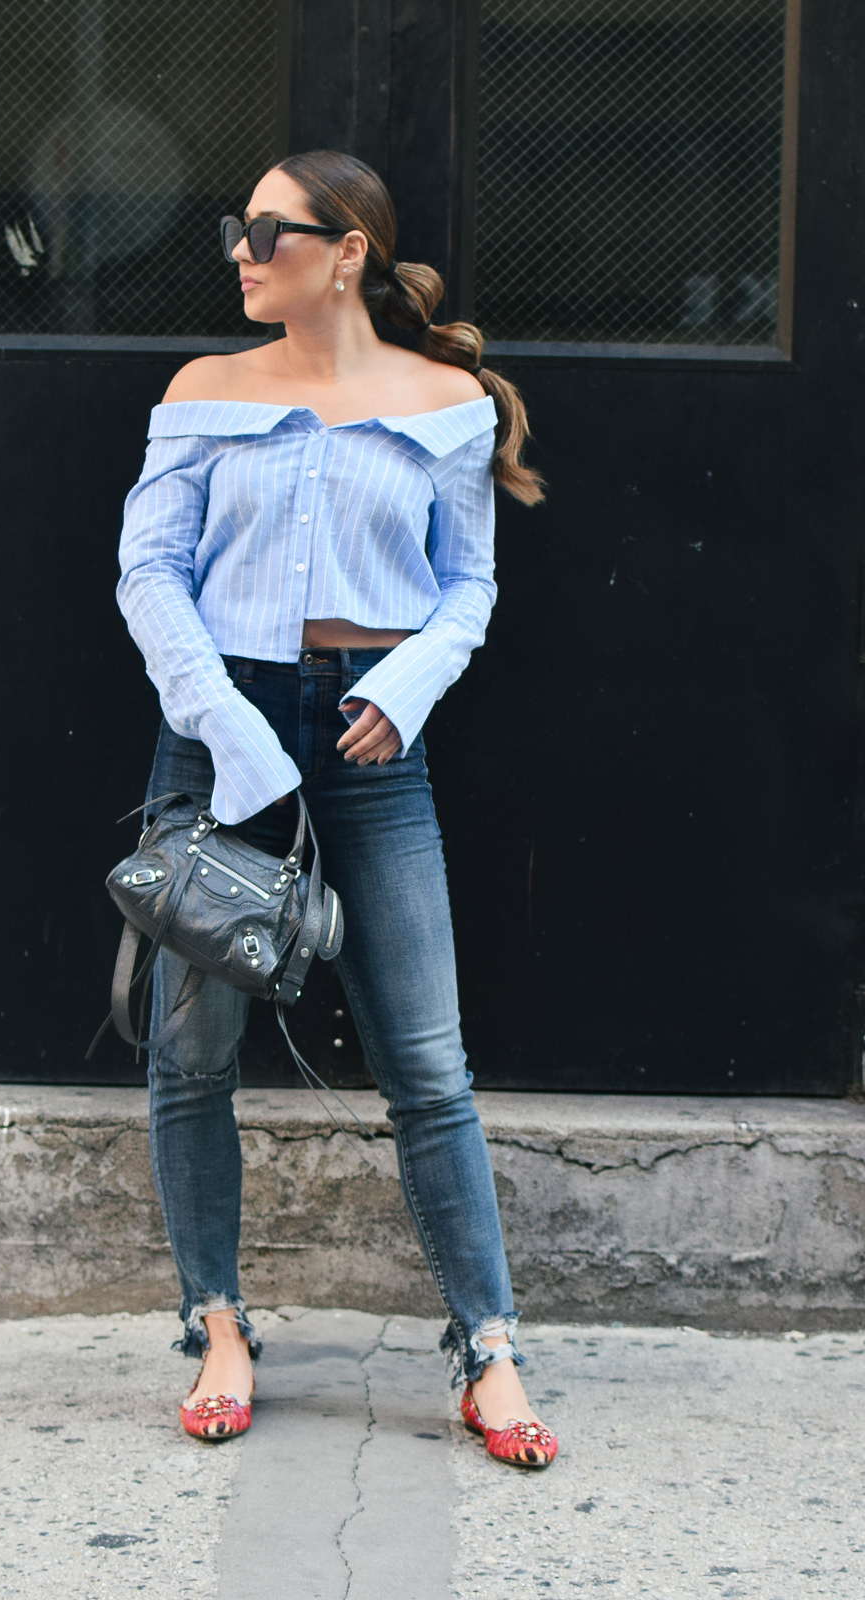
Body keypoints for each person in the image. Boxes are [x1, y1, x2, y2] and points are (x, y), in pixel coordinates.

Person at [113, 150, 556, 1469]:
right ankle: (217, 1323)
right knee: (190, 1057)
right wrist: (229, 729)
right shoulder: (205, 394)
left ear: (346, 250)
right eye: (235, 231)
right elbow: (150, 573)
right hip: (214, 738)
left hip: (375, 742)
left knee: (428, 1064)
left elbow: (466, 587)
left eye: (267, 231)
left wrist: (409, 685)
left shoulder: (445, 404)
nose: (241, 254)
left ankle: (488, 1348)